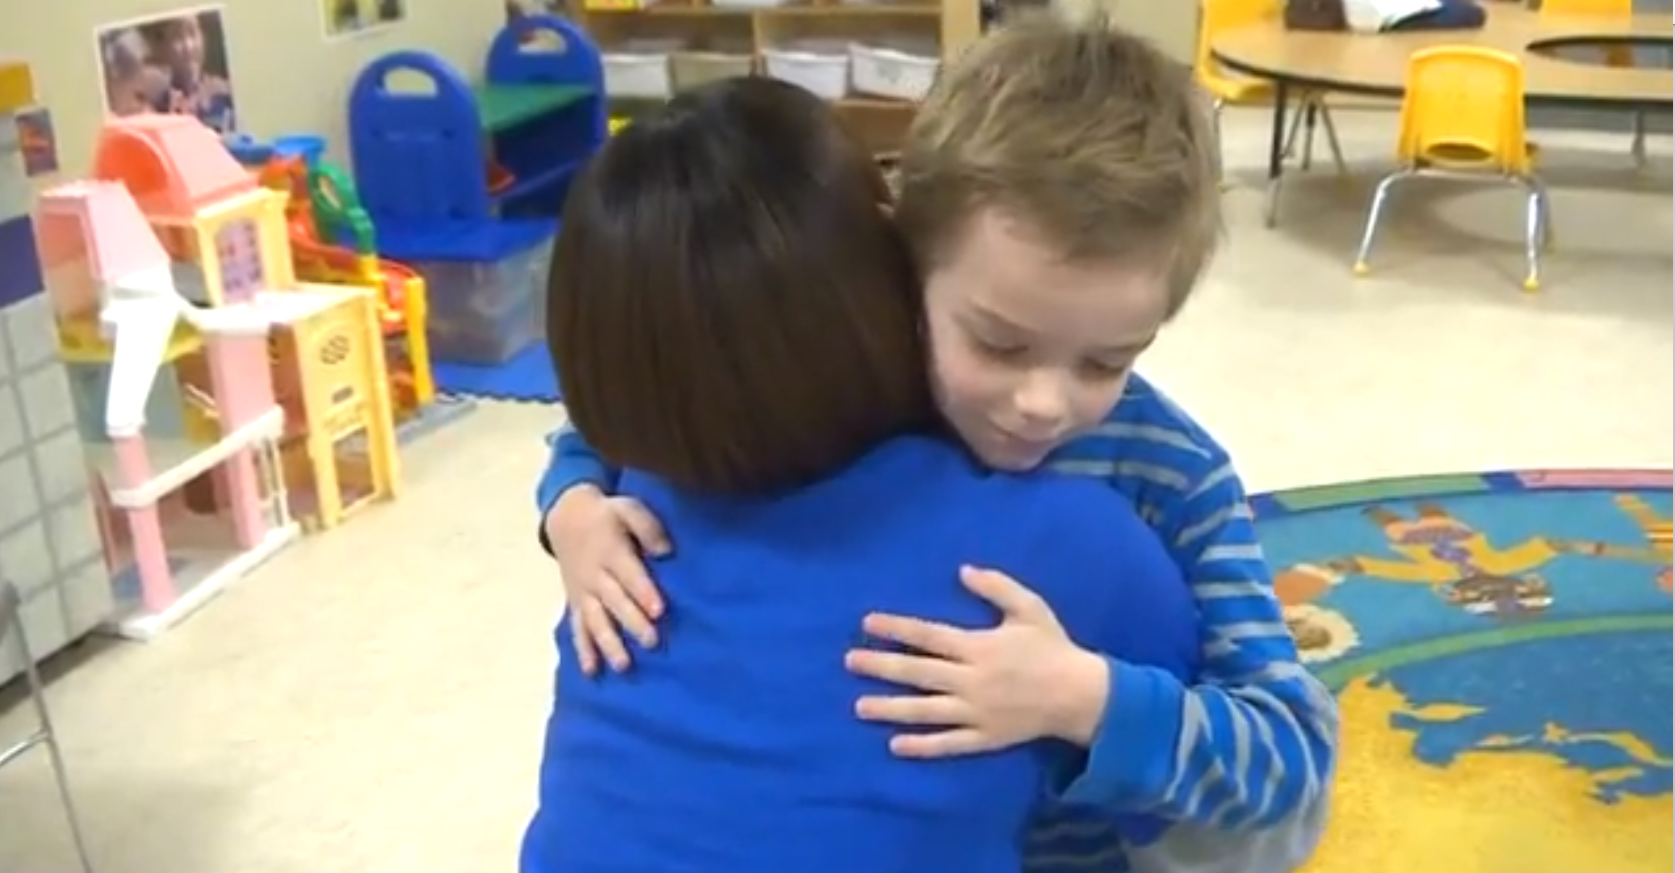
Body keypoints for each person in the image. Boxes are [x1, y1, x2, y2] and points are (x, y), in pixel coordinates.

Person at [538, 15, 1339, 873]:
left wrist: (1083, 700)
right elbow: (661, 412)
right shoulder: (852, 373)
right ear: (896, 258)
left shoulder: (1174, 477)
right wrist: (574, 504)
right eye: (998, 344)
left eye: (1107, 360)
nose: (1040, 404)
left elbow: (1289, 758)